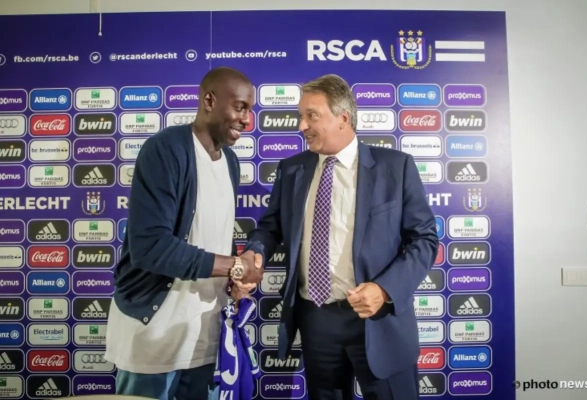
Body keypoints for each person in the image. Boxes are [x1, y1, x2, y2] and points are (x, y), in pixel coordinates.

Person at [243, 74, 439, 400]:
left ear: (343, 118)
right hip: (316, 319)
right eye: (300, 116)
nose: (302, 126)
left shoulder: (396, 167)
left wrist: (384, 290)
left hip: (378, 320)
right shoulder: (291, 169)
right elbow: (270, 227)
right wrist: (255, 251)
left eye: (312, 115)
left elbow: (424, 240)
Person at [104, 66, 264, 400]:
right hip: (153, 336)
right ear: (209, 101)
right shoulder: (165, 150)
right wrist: (234, 266)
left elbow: (210, 234)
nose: (247, 121)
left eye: (250, 110)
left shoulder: (230, 162)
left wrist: (233, 280)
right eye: (240, 107)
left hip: (206, 335)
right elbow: (151, 247)